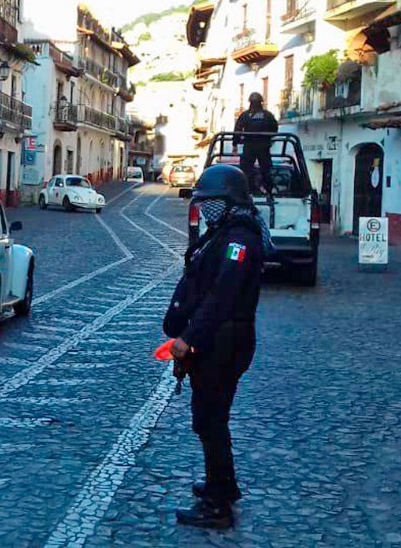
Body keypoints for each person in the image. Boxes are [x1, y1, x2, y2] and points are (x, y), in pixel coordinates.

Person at [163, 164, 270, 529]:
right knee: (210, 419)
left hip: (224, 342)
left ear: (229, 201)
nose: (203, 208)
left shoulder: (239, 239)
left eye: (210, 202)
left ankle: (217, 504)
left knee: (211, 420)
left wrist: (188, 340)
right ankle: (221, 484)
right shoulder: (224, 231)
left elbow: (222, 296)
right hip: (219, 339)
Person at [233, 93, 278, 197]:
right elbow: (274, 128)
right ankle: (268, 191)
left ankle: (246, 190)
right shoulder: (268, 115)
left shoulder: (245, 115)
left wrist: (235, 144)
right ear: (261, 103)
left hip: (249, 146)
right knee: (266, 170)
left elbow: (237, 129)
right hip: (263, 146)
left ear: (250, 103)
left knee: (245, 169)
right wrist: (268, 138)